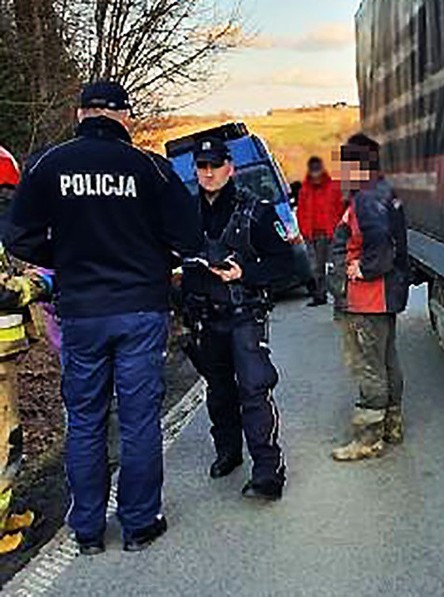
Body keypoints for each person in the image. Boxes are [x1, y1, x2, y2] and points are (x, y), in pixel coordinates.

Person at [5, 81, 203, 555]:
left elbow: (17, 237)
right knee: (138, 421)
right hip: (139, 309)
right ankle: (138, 525)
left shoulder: (49, 165)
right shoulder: (150, 167)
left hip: (81, 312)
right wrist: (153, 259)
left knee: (86, 420)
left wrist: (64, 258)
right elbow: (190, 238)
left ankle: (88, 530)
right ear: (124, 117)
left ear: (80, 115)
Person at [180, 137, 288, 501]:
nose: (208, 173)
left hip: (244, 314)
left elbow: (285, 263)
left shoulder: (257, 212)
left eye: (214, 165)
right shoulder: (184, 215)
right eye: (202, 166)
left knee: (254, 389)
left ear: (230, 167)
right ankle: (228, 451)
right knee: (219, 391)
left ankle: (268, 470)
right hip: (204, 319)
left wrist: (246, 273)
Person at [329, 133, 409, 462]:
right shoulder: (387, 192)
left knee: (368, 367)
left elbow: (382, 243)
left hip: (366, 298)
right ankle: (392, 424)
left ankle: (368, 439)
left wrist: (364, 269)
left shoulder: (365, 199)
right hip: (385, 297)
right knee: (388, 361)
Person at [0, 147, 54, 554]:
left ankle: (6, 514)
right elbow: (4, 292)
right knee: (3, 441)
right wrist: (38, 284)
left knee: (9, 435)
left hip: (5, 359)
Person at [297, 156, 344, 307]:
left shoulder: (334, 187)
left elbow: (342, 208)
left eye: (318, 171)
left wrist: (341, 230)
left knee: (335, 267)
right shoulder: (304, 190)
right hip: (313, 235)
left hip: (332, 233)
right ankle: (320, 295)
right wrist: (304, 231)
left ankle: (340, 296)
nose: (316, 175)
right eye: (314, 171)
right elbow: (301, 212)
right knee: (316, 268)